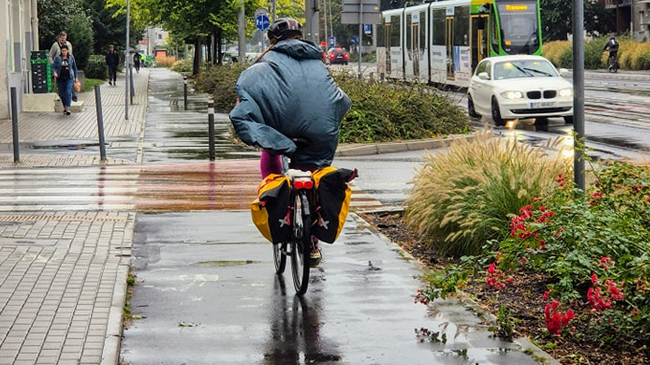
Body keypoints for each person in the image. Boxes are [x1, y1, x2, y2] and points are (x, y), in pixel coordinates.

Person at [229, 17, 352, 267]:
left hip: (282, 130)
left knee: (271, 147)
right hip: (319, 132)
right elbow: (340, 98)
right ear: (300, 38)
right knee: (314, 173)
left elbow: (247, 95)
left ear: (272, 40)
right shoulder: (318, 63)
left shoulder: (264, 63)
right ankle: (314, 239)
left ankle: (274, 196)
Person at [48, 31, 78, 102]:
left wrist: (72, 61)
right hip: (59, 67)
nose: (63, 40)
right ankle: (63, 96)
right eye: (62, 39)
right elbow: (50, 56)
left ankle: (74, 95)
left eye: (64, 38)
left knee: (72, 78)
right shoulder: (55, 45)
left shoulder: (69, 44)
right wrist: (52, 64)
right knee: (61, 84)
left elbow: (71, 55)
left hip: (69, 65)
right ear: (59, 38)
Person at [51, 44, 78, 115]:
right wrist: (54, 72)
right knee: (62, 94)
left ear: (67, 51)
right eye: (63, 50)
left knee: (68, 92)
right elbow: (53, 66)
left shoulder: (71, 58)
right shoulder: (58, 58)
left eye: (65, 50)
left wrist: (76, 77)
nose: (64, 52)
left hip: (69, 78)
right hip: (60, 78)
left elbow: (75, 68)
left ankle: (68, 108)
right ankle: (65, 107)